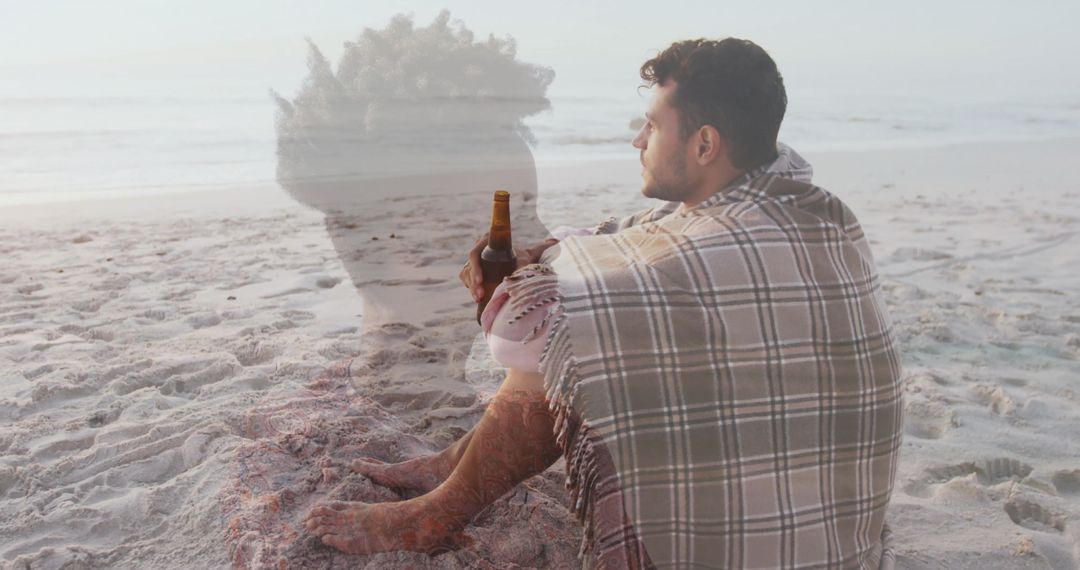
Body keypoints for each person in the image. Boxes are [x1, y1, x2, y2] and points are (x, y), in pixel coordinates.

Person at [305, 37, 903, 569]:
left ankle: (437, 514)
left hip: (761, 539)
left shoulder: (716, 249)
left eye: (651, 125)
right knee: (598, 324)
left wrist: (520, 280)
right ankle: (455, 466)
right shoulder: (790, 194)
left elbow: (526, 334)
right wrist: (541, 252)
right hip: (826, 506)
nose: (637, 139)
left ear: (704, 144)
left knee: (584, 345)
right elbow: (635, 231)